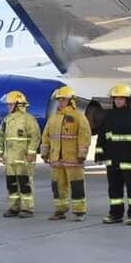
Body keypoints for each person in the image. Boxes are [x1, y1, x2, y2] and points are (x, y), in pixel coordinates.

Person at [95, 84, 131, 225]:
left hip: (130, 161)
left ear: (127, 100)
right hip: (112, 161)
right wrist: (99, 154)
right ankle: (115, 214)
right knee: (114, 190)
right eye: (116, 98)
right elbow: (102, 137)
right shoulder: (108, 116)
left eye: (121, 98)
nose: (118, 101)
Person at [41, 86, 91, 221]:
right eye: (59, 100)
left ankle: (79, 212)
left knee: (76, 185)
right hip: (56, 159)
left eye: (63, 99)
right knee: (57, 186)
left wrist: (82, 155)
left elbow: (84, 136)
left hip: (73, 159)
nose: (60, 102)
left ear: (70, 100)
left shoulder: (78, 117)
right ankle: (60, 210)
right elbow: (46, 136)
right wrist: (45, 153)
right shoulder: (53, 118)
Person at [0, 90, 40, 218]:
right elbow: (1, 136)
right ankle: (14, 207)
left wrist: (31, 152)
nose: (8, 106)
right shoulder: (7, 119)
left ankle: (27, 208)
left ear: (18, 104)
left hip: (23, 158)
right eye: (8, 104)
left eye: (10, 104)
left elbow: (35, 137)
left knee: (25, 184)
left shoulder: (28, 119)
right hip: (10, 159)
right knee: (12, 185)